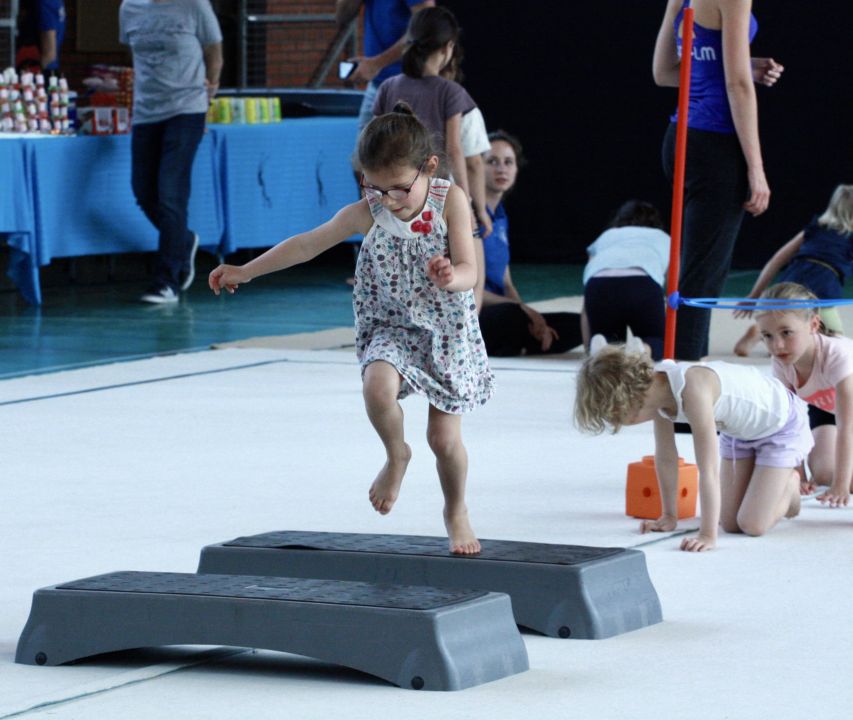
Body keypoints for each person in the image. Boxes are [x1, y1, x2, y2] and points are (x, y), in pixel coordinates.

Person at [208, 104, 494, 555]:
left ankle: (456, 509)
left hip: (445, 331)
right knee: (376, 387)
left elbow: (469, 270)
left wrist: (450, 276)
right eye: (374, 187)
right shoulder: (370, 211)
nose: (389, 200)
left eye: (399, 189)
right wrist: (246, 270)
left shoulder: (450, 200)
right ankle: (396, 454)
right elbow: (306, 245)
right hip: (391, 325)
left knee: (443, 440)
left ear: (429, 167)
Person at [575, 343, 812, 552]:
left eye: (614, 416)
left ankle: (790, 486)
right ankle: (770, 483)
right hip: (740, 434)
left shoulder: (693, 390)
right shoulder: (657, 395)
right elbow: (666, 458)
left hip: (781, 425)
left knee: (752, 524)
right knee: (730, 523)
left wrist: (707, 534)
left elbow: (708, 469)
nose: (615, 423)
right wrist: (669, 516)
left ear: (629, 401)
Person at [653, 0, 784, 359]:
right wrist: (756, 168)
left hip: (681, 138)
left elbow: (664, 72)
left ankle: (681, 368)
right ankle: (682, 378)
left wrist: (744, 65)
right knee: (702, 275)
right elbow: (737, 85)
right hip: (716, 144)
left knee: (695, 267)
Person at [119, 0, 223, 304]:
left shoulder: (193, 5)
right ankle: (183, 241)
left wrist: (210, 91)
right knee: (143, 191)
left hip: (186, 108)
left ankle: (167, 281)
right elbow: (131, 52)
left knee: (170, 194)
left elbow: (214, 51)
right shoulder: (129, 7)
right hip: (146, 111)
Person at [478, 130, 583, 356]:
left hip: (508, 311)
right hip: (479, 312)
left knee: (580, 324)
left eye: (508, 162)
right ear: (478, 166)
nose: (501, 169)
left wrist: (531, 317)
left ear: (517, 168)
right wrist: (522, 310)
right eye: (492, 162)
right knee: (510, 317)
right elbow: (469, 290)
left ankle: (525, 340)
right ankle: (519, 341)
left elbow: (507, 284)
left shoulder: (500, 216)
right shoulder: (471, 214)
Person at [755, 282, 853, 507]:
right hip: (827, 412)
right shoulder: (781, 362)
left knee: (843, 479)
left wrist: (841, 485)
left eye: (786, 333)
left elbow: (847, 426)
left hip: (846, 416)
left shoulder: (837, 355)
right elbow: (789, 422)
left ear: (813, 325)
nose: (777, 345)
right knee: (824, 474)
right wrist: (798, 474)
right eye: (767, 336)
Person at [734, 184, 853, 356]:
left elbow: (776, 260)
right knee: (834, 340)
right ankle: (777, 339)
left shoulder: (815, 229)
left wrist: (754, 295)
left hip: (792, 279)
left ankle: (764, 333)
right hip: (823, 285)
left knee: (789, 315)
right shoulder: (849, 237)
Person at [373, 6, 473, 205]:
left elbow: (373, 143)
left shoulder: (387, 87)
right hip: (433, 196)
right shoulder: (450, 91)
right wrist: (465, 201)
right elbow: (453, 150)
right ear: (448, 47)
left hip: (391, 194)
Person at [335, 0, 434, 159]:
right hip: (377, 84)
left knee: (400, 161)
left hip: (408, 82)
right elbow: (342, 16)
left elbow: (427, 24)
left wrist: (378, 63)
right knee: (362, 160)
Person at [582, 200, 671, 359]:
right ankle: (643, 349)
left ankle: (601, 350)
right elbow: (673, 287)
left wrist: (588, 350)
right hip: (642, 283)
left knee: (607, 340)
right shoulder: (664, 238)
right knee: (658, 341)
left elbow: (585, 307)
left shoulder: (606, 236)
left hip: (599, 284)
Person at [15, 0, 66, 72]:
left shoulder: (44, 3)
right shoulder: (54, 2)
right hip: (49, 67)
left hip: (39, 70)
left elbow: (49, 54)